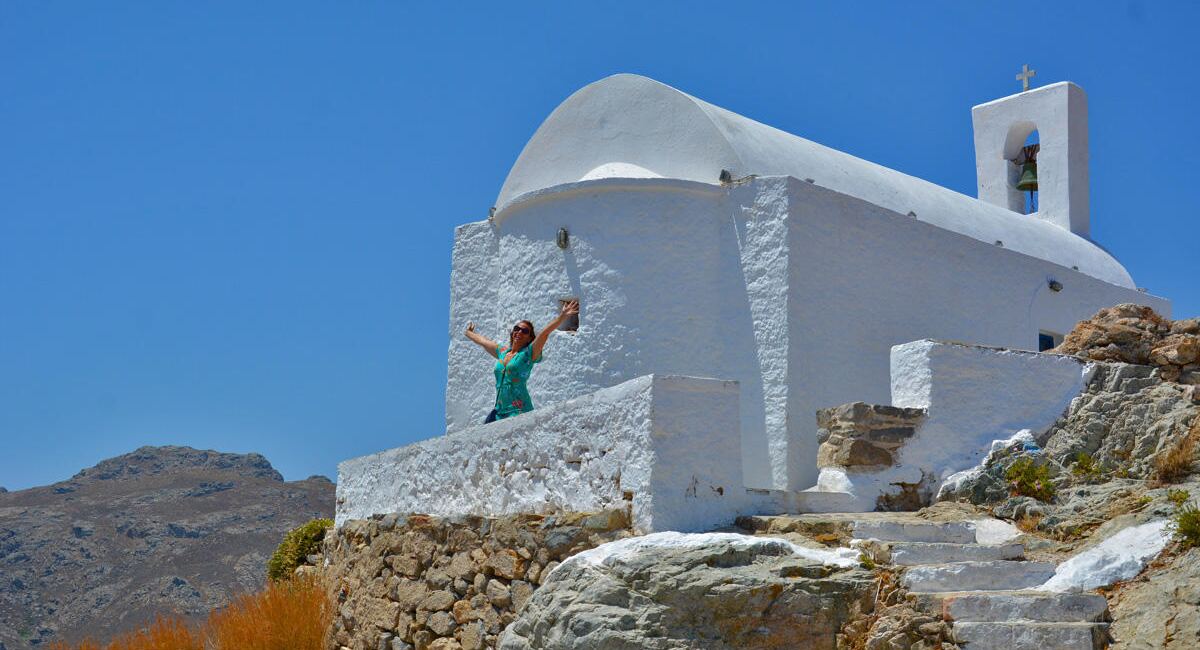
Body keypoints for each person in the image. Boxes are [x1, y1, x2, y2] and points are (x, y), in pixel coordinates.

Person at [464, 300, 579, 423]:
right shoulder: (502, 352)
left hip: (519, 410)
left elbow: (544, 334)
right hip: (499, 411)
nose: (519, 332)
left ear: (530, 337)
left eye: (524, 331)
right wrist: (469, 333)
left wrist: (562, 317)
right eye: (517, 328)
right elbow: (483, 341)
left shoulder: (528, 354)